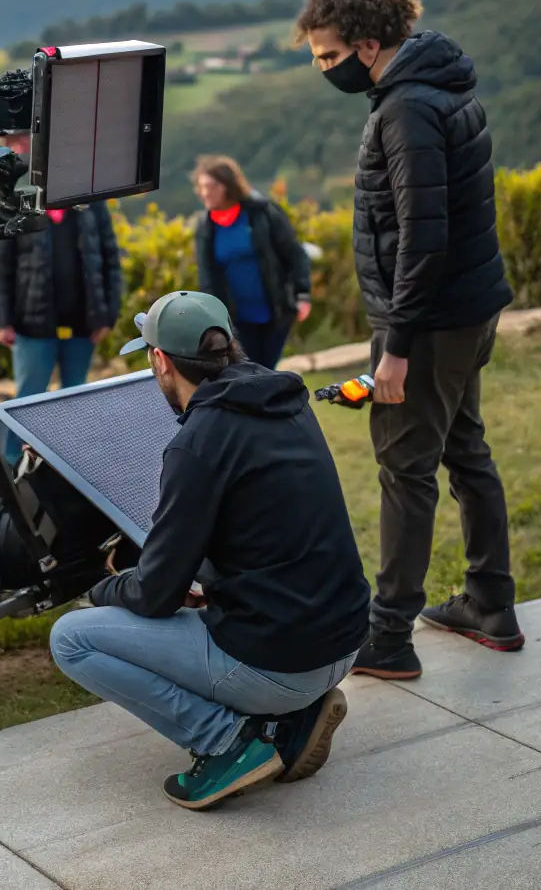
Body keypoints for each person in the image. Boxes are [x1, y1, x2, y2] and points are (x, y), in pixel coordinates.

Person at [49, 290, 369, 811]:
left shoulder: (198, 442)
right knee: (199, 603)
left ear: (160, 361)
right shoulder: (283, 399)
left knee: (72, 639)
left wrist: (102, 586)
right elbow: (261, 527)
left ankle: (227, 741)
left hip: (283, 663)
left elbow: (154, 594)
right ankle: (291, 718)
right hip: (346, 638)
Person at [295, 0, 522, 682]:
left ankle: (389, 635)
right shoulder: (443, 83)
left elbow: (423, 237)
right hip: (467, 310)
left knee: (405, 469)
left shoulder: (405, 111)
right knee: (466, 449)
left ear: (368, 43)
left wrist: (393, 347)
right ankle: (490, 603)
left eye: (329, 56)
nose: (324, 69)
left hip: (427, 322)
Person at [0, 135, 122, 413]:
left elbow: (110, 258)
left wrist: (108, 314)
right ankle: (13, 457)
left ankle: (66, 455)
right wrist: (1, 320)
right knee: (28, 400)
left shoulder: (92, 203)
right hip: (32, 326)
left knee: (76, 398)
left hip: (83, 324)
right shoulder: (18, 202)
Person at [193, 154, 312, 370]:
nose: (205, 193)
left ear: (228, 185)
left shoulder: (263, 213)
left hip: (275, 313)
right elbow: (207, 276)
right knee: (251, 371)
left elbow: (295, 254)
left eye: (211, 186)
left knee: (266, 368)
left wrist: (302, 294)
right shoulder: (205, 228)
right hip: (236, 320)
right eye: (202, 187)